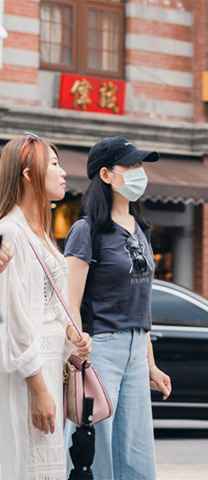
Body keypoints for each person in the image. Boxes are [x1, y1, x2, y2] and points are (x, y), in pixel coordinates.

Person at [63, 137, 172, 479]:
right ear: (107, 175)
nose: (141, 173)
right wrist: (79, 357)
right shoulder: (87, 230)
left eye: (141, 166)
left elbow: (142, 306)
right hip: (101, 350)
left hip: (136, 350)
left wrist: (151, 365)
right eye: (133, 166)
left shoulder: (141, 230)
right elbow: (70, 304)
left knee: (137, 456)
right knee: (97, 452)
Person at [0, 133, 91, 480]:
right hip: (28, 377)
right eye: (54, 164)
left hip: (51, 369)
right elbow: (12, 319)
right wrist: (38, 388)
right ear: (28, 173)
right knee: (26, 466)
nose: (63, 172)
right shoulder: (9, 233)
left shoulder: (43, 236)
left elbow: (52, 306)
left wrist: (73, 335)